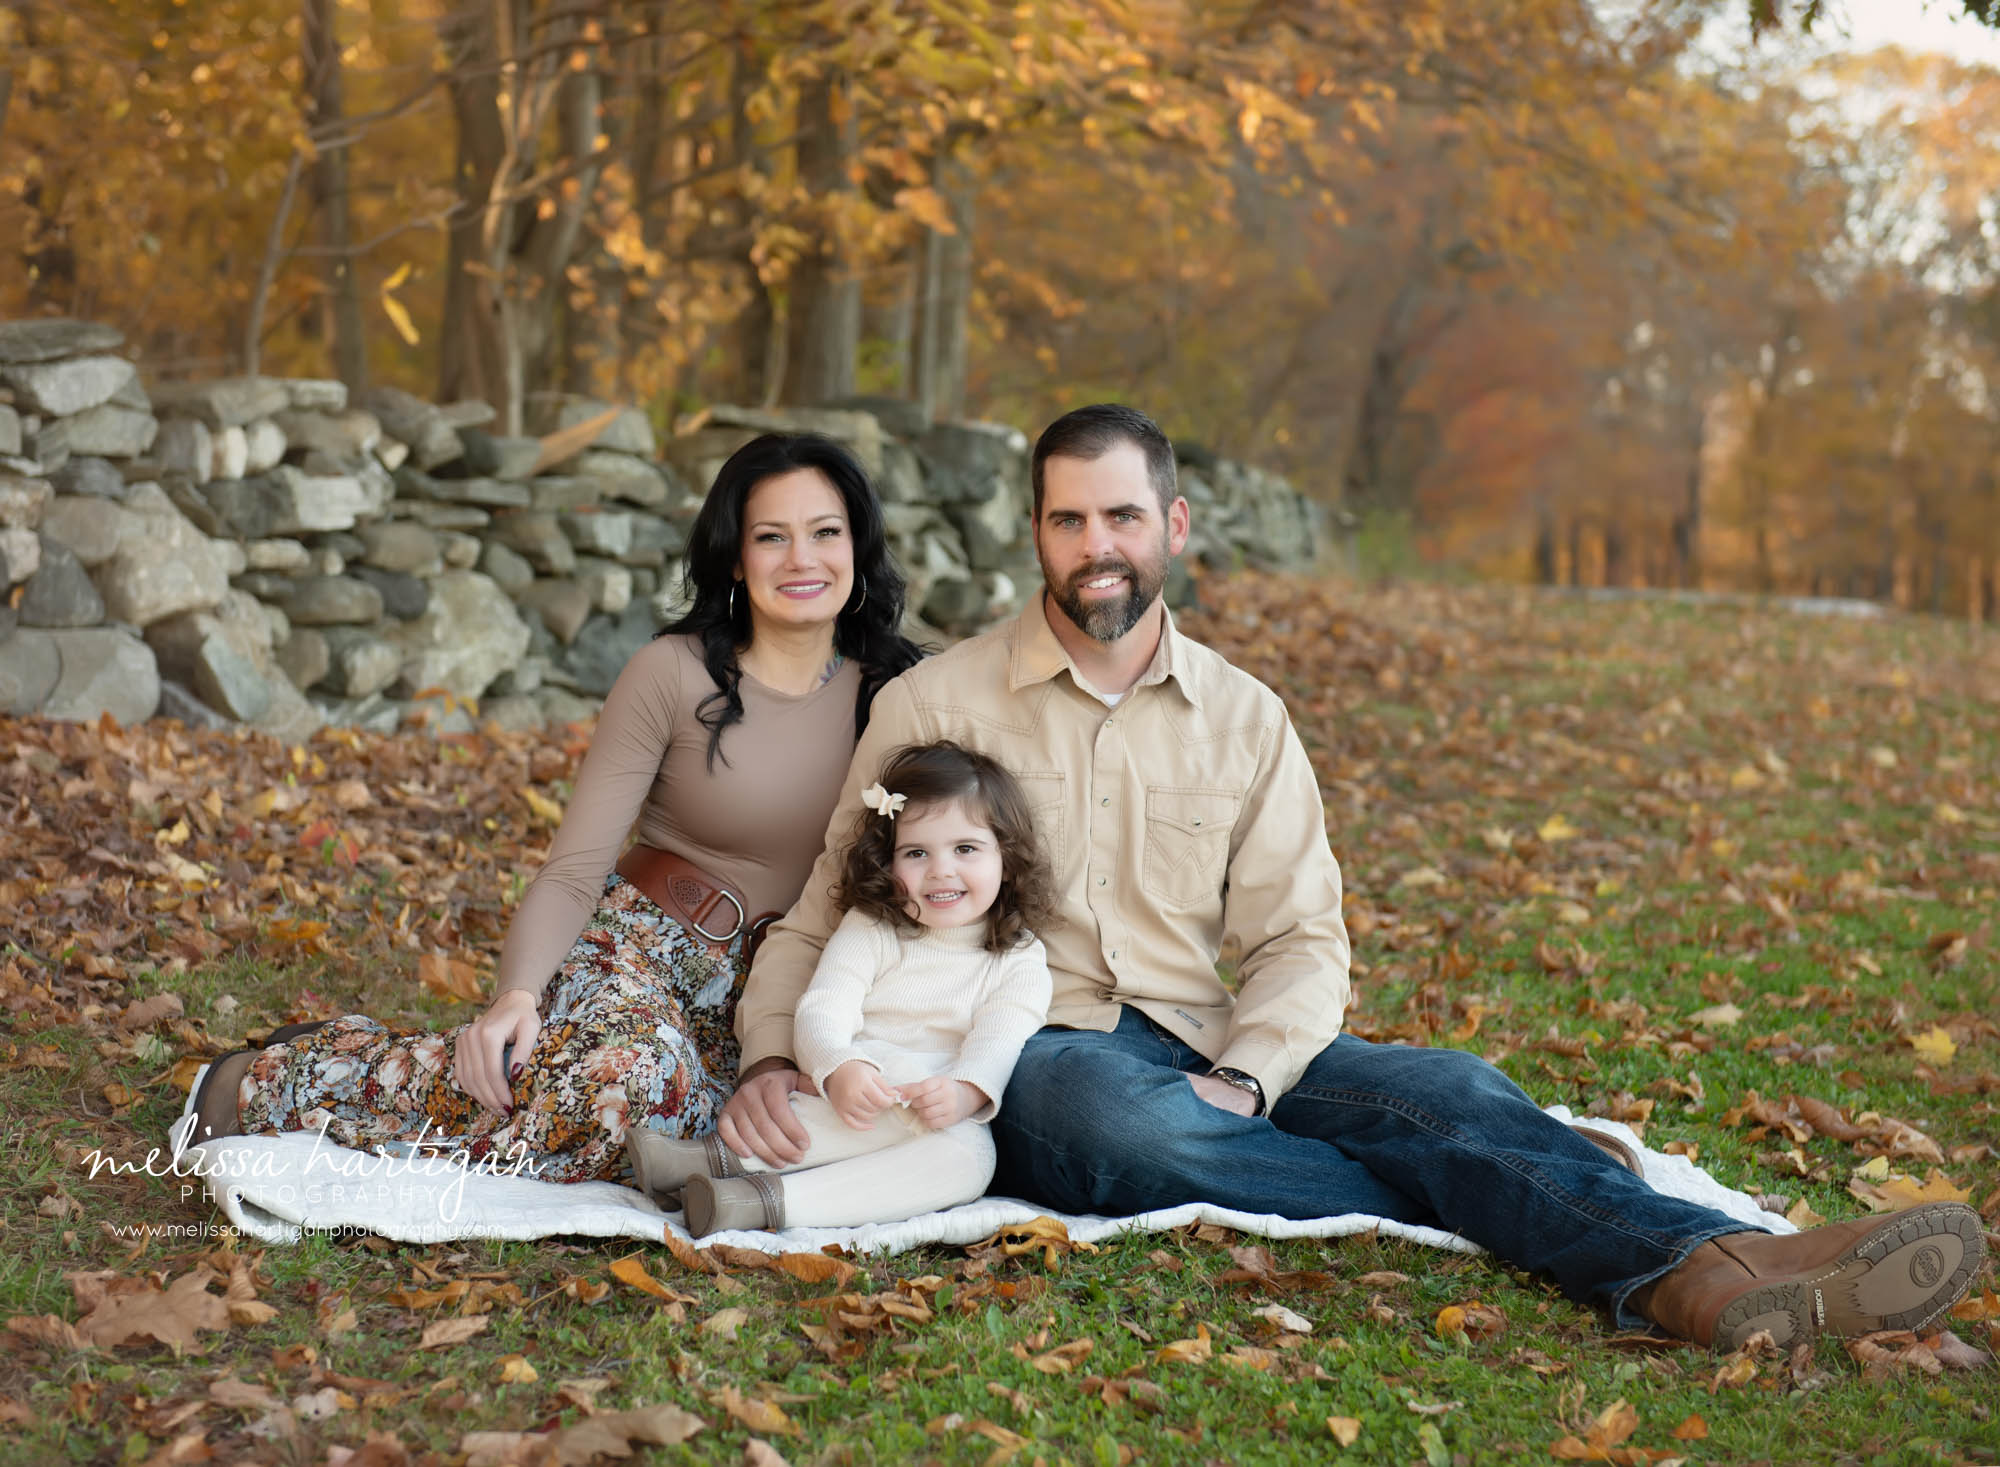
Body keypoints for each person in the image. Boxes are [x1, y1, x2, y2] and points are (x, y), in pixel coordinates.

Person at [719, 403, 1986, 1351]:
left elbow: (1301, 942)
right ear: (1035, 533)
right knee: (1130, 1128)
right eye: (1067, 518)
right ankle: (1642, 1236)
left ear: (1172, 526)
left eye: (1120, 516)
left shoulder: (1245, 715)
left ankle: (1714, 1269)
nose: (1094, 545)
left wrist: (1253, 1071)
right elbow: (833, 902)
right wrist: (776, 1055)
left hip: (1205, 1030)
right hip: (1028, 1051)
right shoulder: (936, 701)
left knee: (1443, 1086)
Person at [173, 433, 923, 1182]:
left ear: (857, 544)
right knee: (626, 1094)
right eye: (772, 536)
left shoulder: (897, 692)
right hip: (641, 956)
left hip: (791, 993)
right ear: (735, 556)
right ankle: (280, 1079)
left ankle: (424, 1071)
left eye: (826, 532)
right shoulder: (671, 673)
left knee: (718, 1126)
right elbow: (575, 868)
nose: (802, 559)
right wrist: (516, 995)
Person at [624, 741, 1055, 1235]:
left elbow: (1000, 1040)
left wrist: (964, 1093)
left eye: (966, 849)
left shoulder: (1019, 958)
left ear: (1006, 855)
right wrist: (838, 1065)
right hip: (853, 1092)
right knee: (895, 1096)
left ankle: (753, 1203)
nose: (941, 870)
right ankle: (697, 1159)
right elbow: (825, 1005)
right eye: (917, 852)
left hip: (936, 1109)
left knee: (972, 1159)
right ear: (888, 863)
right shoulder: (873, 927)